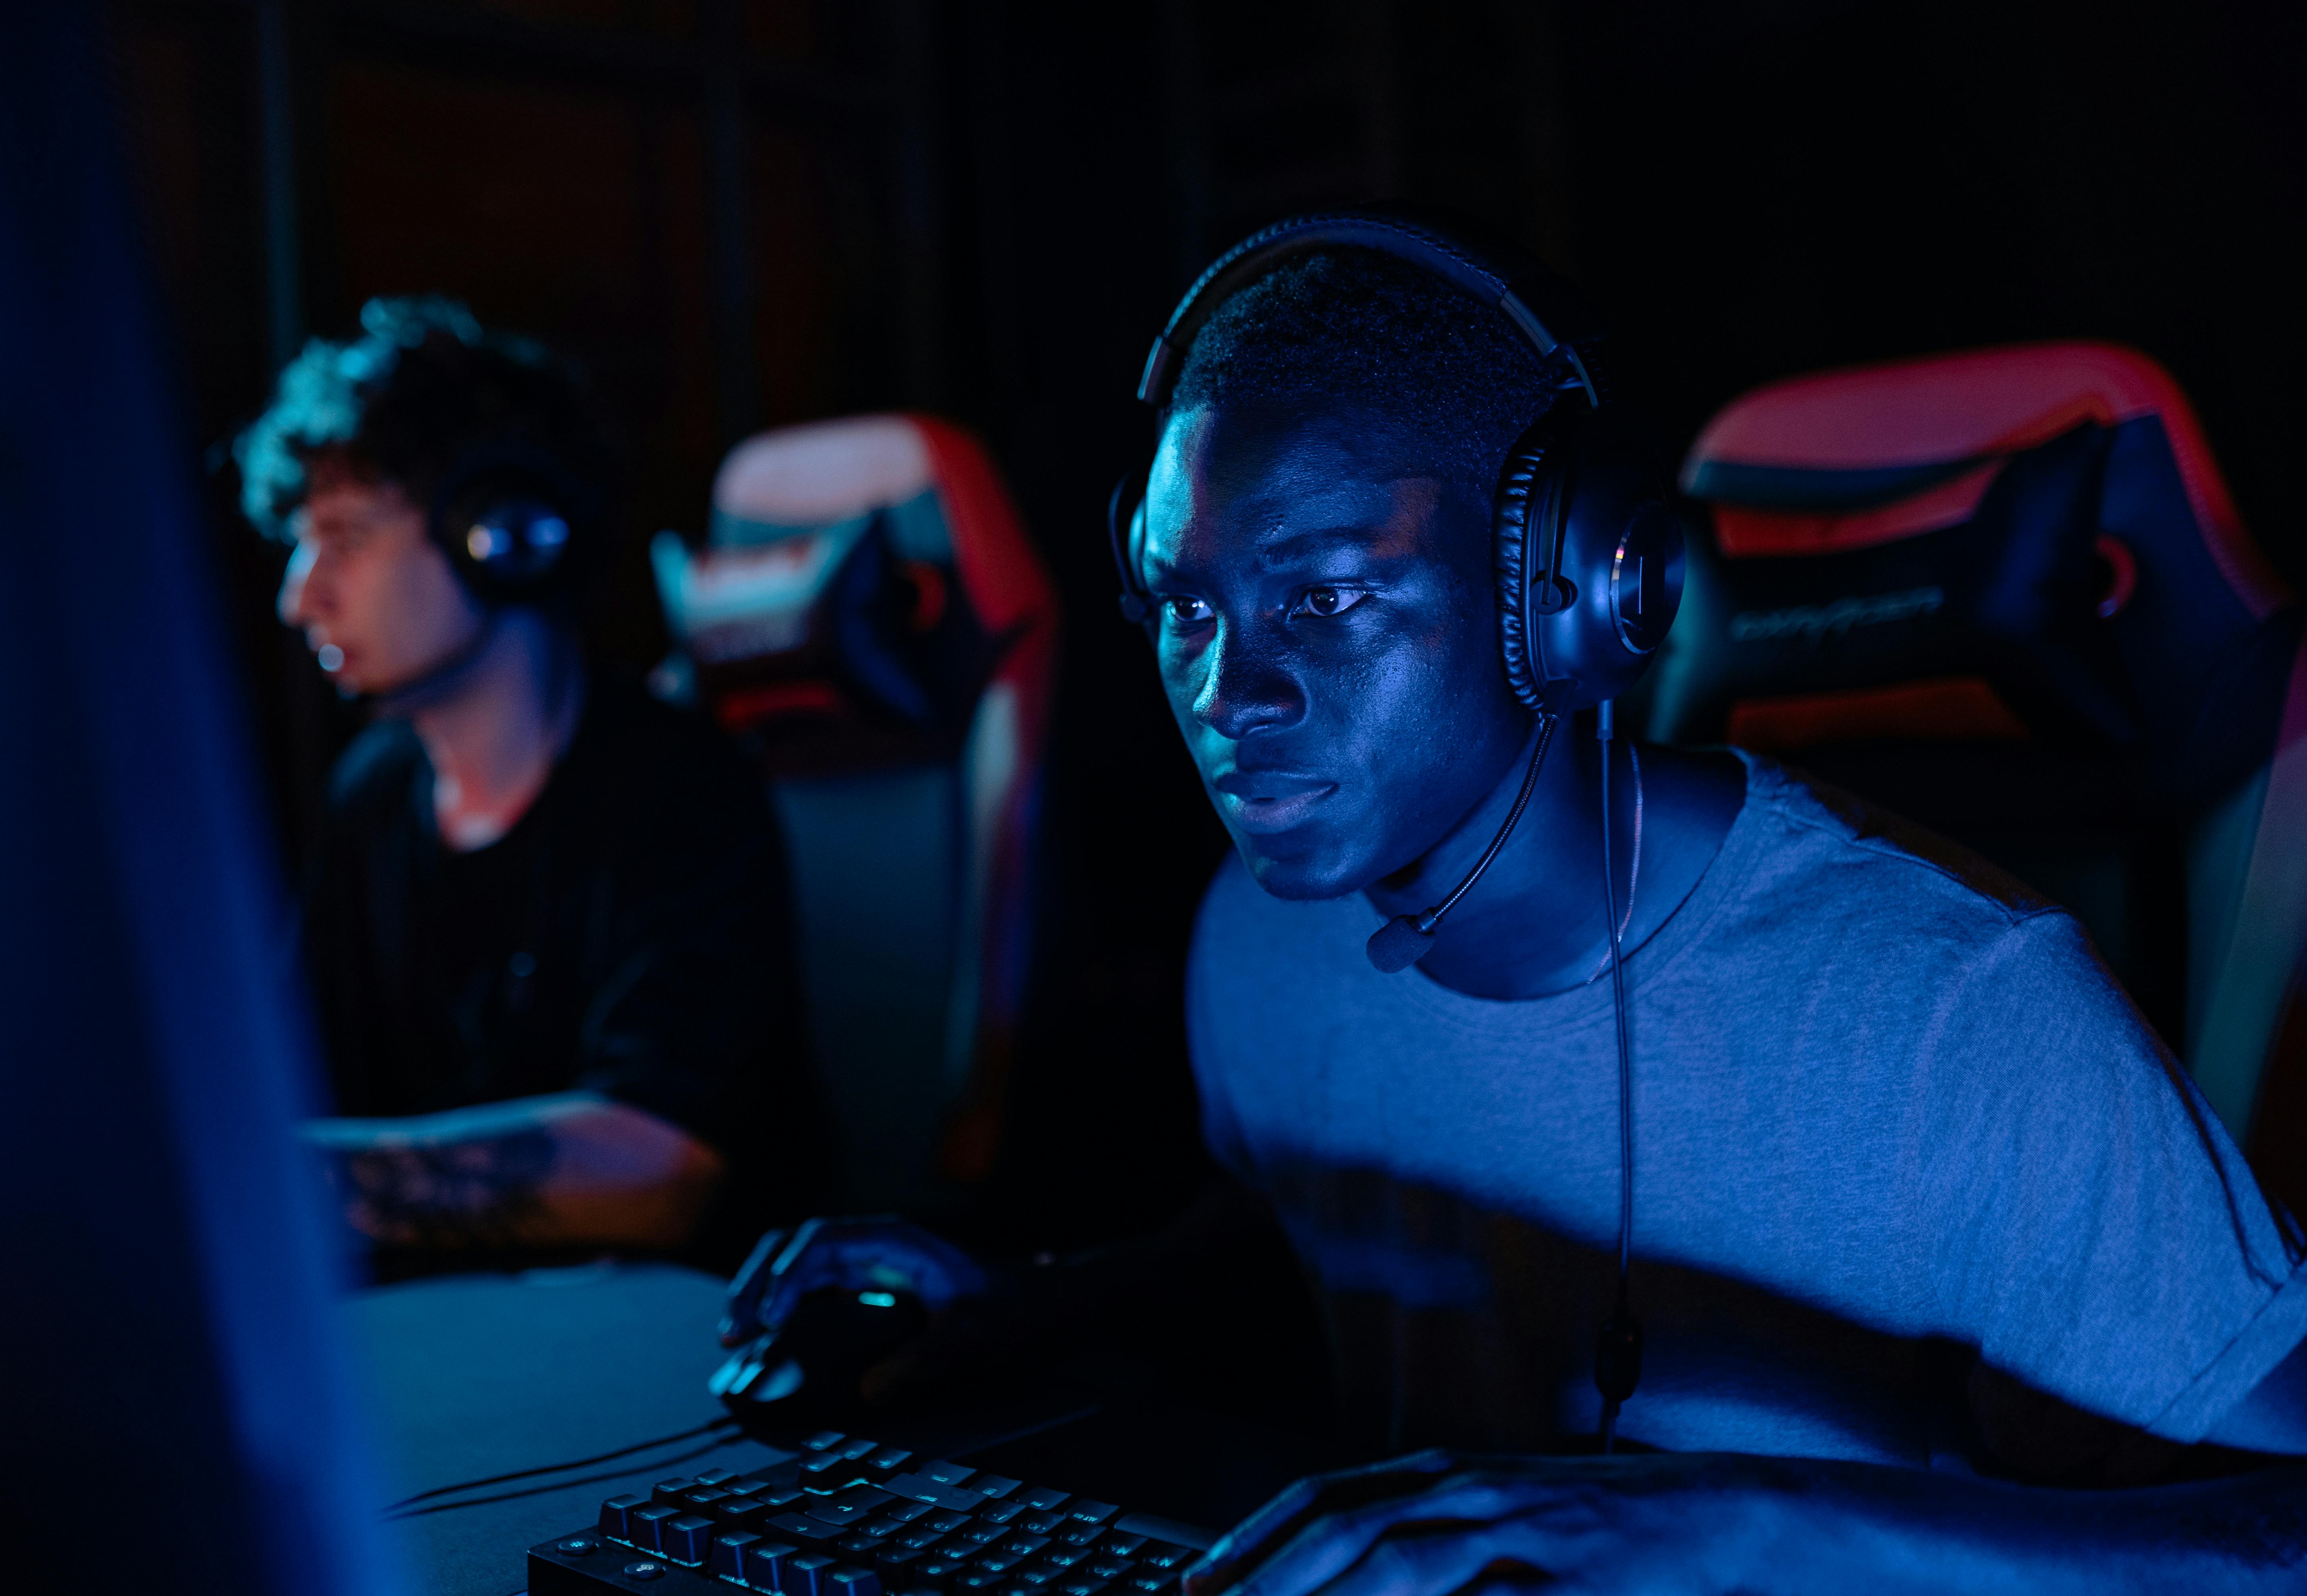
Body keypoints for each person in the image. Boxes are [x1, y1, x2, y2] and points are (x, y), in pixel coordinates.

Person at [714, 221, 2307, 1588]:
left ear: (1571, 589)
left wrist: (1765, 1530)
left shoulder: (1968, 1015)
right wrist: (1035, 1308)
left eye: (1325, 598)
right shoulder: (1262, 932)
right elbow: (1310, 1232)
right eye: (1184, 607)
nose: (1228, 690)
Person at [237, 296, 824, 1270]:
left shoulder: (679, 790)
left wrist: (280, 1180)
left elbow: (661, 1170)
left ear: (505, 534)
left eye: (344, 536)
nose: (301, 595)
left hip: (668, 1337)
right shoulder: (373, 796)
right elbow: (298, 1080)